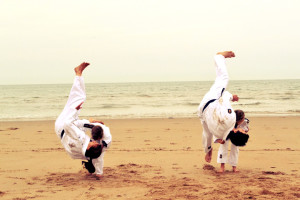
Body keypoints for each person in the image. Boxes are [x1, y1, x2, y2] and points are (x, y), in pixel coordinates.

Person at [54, 62, 112, 178]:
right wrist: (98, 173)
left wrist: (77, 111)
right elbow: (98, 158)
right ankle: (92, 169)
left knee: (79, 98)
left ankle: (78, 73)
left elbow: (68, 124)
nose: (96, 142)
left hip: (63, 125)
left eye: (94, 143)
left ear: (90, 146)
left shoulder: (81, 138)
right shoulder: (93, 152)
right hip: (68, 143)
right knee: (96, 155)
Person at [197, 51, 248, 166]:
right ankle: (208, 150)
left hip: (210, 101)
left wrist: (232, 97)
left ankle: (219, 57)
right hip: (201, 112)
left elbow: (224, 99)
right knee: (206, 134)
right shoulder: (222, 135)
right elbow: (216, 137)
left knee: (224, 78)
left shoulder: (230, 117)